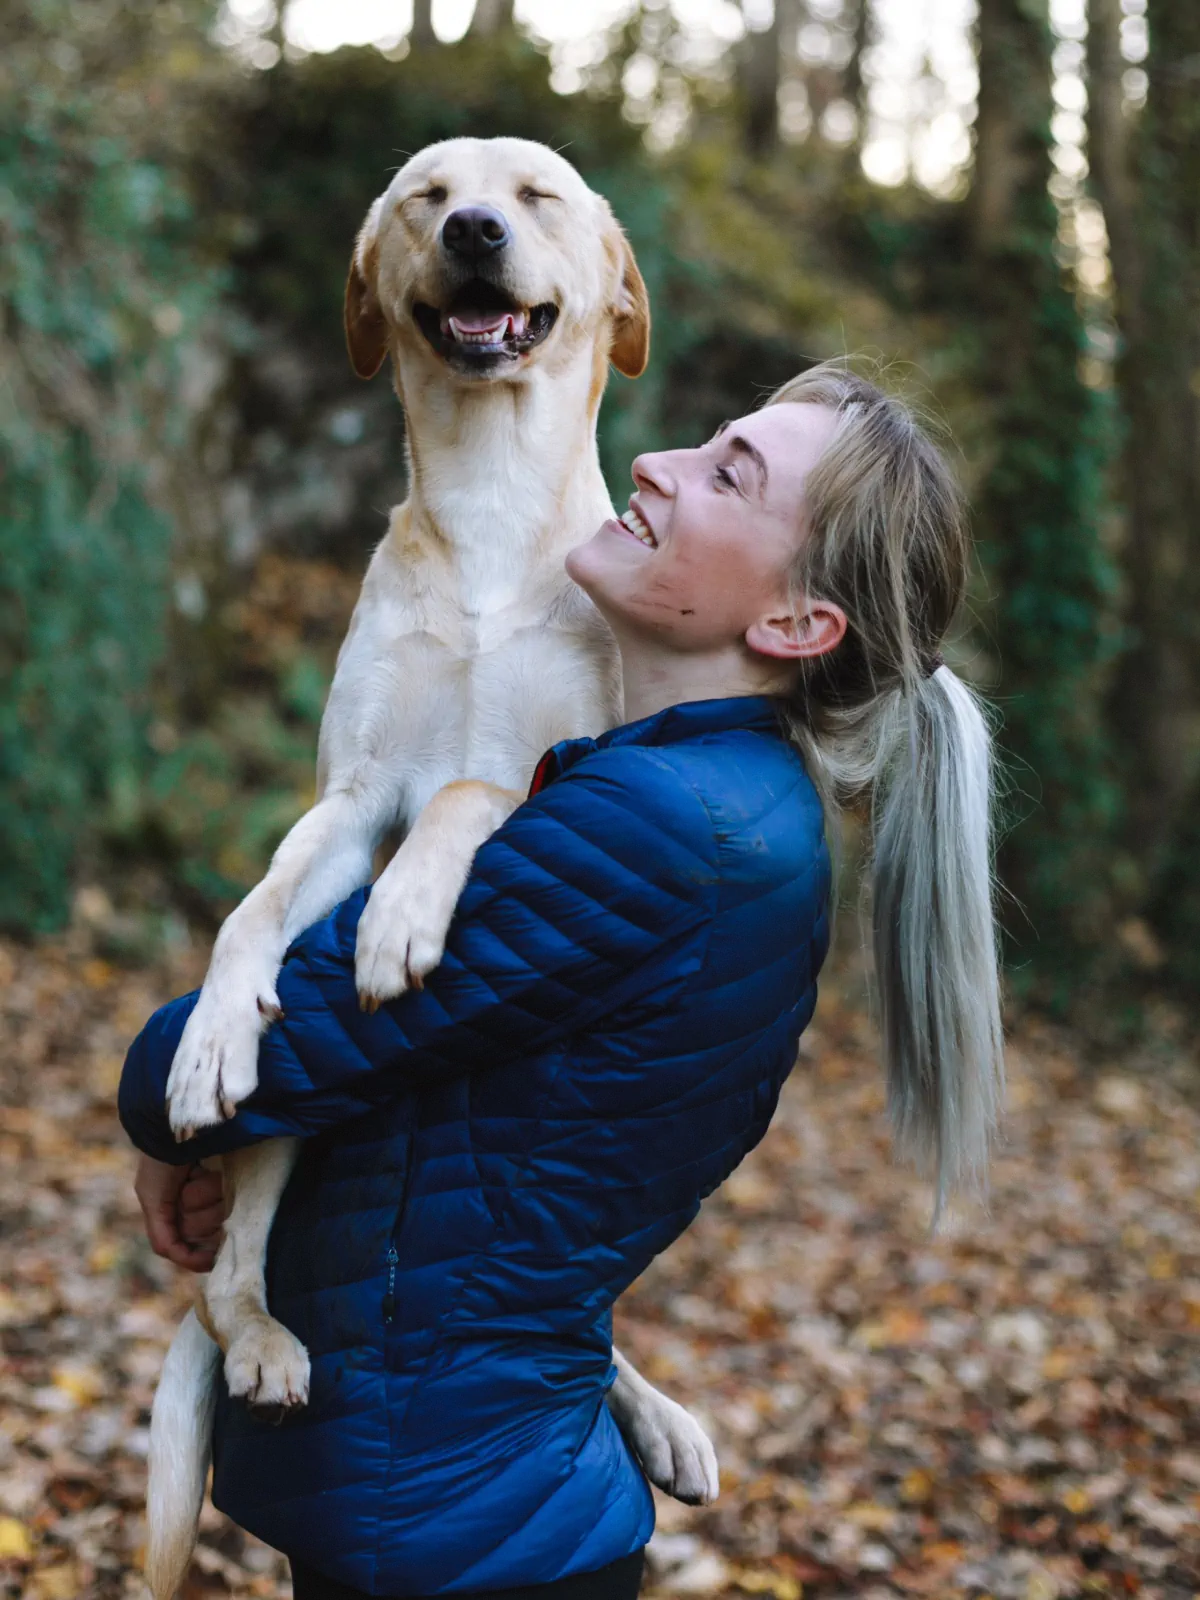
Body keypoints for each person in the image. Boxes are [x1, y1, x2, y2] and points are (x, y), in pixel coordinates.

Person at [121, 363, 1003, 1600]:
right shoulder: (708, 801)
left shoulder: (654, 827)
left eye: (726, 474)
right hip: (477, 1499)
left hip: (450, 1525)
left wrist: (165, 1099)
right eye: (705, 440)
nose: (656, 464)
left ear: (797, 625)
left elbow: (288, 1042)